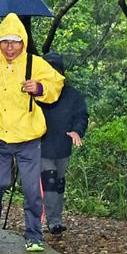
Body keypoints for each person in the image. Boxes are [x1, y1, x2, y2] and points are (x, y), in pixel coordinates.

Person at [0, 12, 64, 253]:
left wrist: (40, 87)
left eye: (15, 42)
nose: (9, 47)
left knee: (33, 189)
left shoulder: (35, 64)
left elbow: (57, 84)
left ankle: (33, 235)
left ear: (23, 42)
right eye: (5, 41)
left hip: (28, 139)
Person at [38, 52, 89, 235]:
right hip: (42, 145)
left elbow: (82, 116)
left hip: (63, 145)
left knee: (58, 182)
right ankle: (54, 222)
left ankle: (56, 217)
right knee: (50, 181)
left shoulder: (72, 95)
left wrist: (77, 131)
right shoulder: (37, 92)